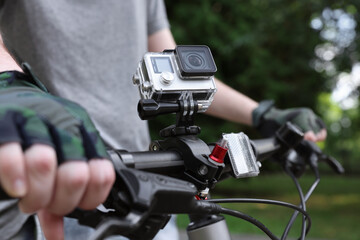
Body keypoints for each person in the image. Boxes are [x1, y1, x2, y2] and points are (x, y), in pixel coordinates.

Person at [0, 0, 326, 239]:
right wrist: (11, 87)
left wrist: (262, 114)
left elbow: (181, 76)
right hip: (51, 184)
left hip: (151, 188)